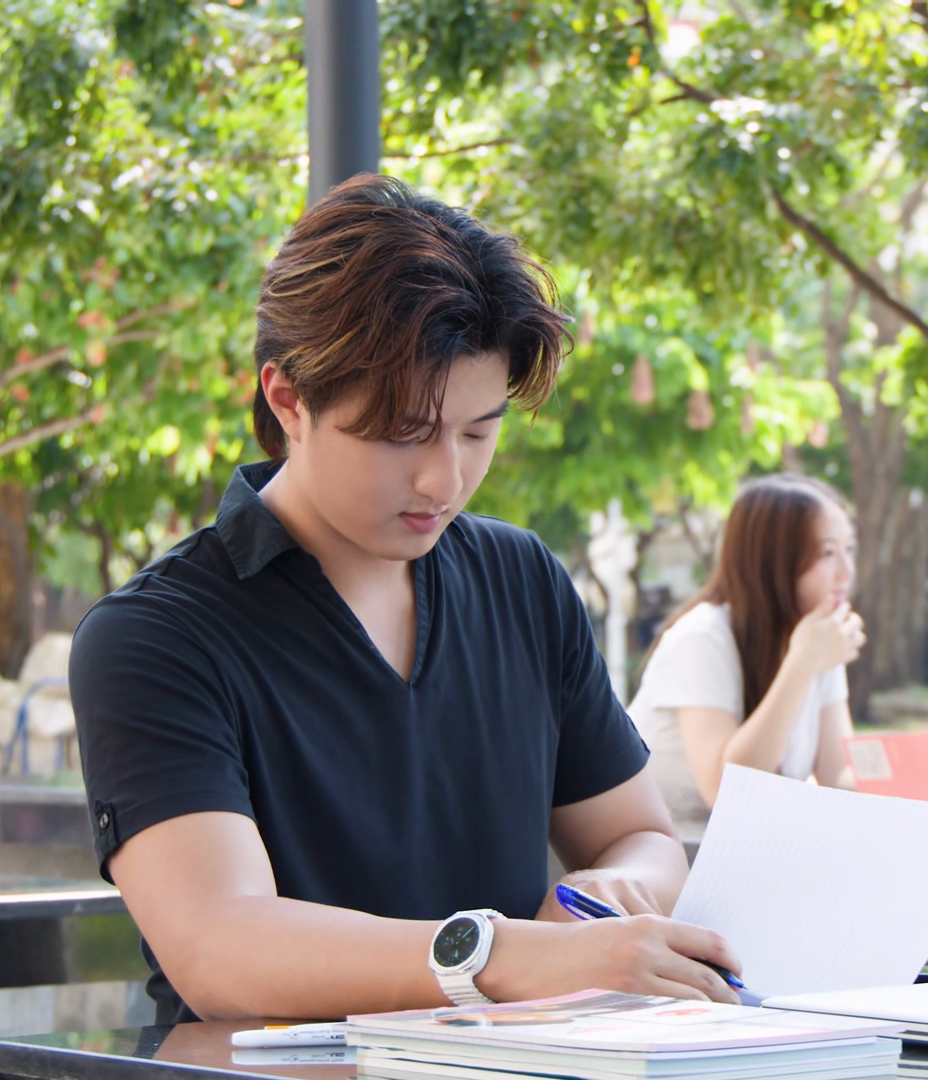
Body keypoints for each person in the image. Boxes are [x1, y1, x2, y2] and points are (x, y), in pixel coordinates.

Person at [70, 176, 739, 1024]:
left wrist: (613, 891)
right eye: (403, 434)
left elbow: (637, 835)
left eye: (478, 431)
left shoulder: (522, 579)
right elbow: (219, 947)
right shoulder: (156, 637)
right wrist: (506, 958)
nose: (443, 480)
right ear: (288, 399)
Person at [628, 476, 866, 835]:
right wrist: (801, 666)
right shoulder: (702, 638)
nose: (847, 573)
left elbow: (838, 775)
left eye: (849, 549)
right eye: (827, 554)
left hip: (749, 846)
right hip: (669, 848)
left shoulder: (816, 640)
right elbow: (727, 794)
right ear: (773, 560)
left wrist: (905, 794)